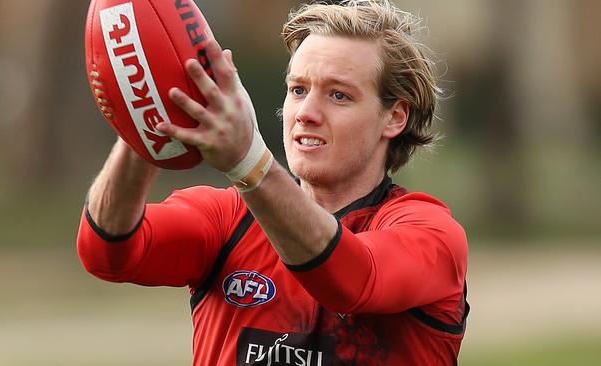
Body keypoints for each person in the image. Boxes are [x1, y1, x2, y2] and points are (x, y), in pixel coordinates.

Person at [76, 0, 469, 364]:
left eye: (338, 95)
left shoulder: (429, 232)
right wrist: (151, 115)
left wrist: (249, 161)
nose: (307, 113)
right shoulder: (227, 218)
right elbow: (107, 253)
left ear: (394, 117)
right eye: (298, 90)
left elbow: (351, 279)